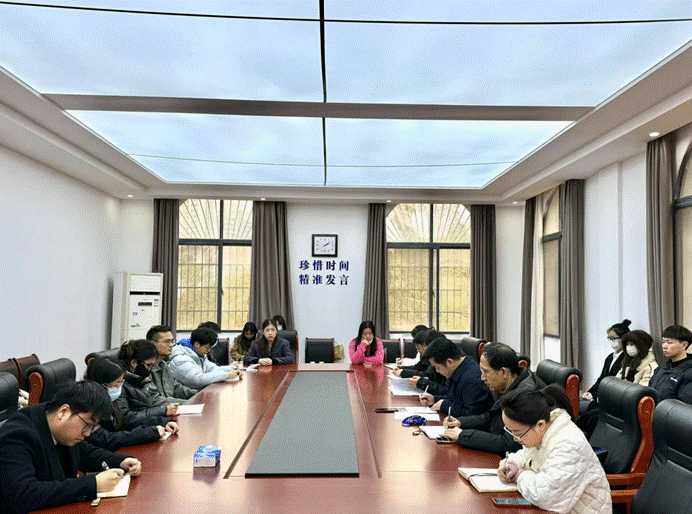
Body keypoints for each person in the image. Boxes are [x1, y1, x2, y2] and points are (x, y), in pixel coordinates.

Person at [0, 380, 142, 514]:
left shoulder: (56, 426)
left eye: (92, 428)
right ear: (63, 412)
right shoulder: (17, 436)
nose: (87, 433)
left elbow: (84, 452)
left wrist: (120, 461)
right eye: (88, 425)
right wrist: (93, 484)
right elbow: (24, 495)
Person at [497, 386, 611, 514]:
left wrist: (519, 476)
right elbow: (527, 454)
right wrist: (513, 463)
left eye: (517, 433)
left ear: (540, 425)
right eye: (510, 431)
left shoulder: (568, 444)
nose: (514, 438)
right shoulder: (542, 430)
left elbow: (546, 496)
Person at [441, 342, 544, 455]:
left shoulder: (525, 396)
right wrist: (461, 422)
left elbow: (509, 443)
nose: (482, 378)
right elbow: (492, 417)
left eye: (485, 372)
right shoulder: (505, 385)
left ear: (504, 372)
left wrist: (462, 435)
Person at [85, 357, 178, 451]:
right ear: (102, 384)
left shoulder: (110, 399)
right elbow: (106, 439)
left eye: (121, 383)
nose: (118, 388)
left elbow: (126, 420)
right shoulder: (88, 406)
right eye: (116, 384)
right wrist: (147, 434)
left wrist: (162, 422)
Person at [418, 338, 492, 417]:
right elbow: (455, 397)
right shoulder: (458, 368)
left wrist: (445, 406)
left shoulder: (472, 379)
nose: (437, 371)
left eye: (437, 367)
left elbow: (473, 414)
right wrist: (434, 399)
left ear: (449, 362)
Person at [116, 339, 179, 429]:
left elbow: (156, 400)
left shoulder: (142, 378)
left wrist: (179, 405)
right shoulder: (118, 383)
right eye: (148, 365)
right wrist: (163, 410)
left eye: (152, 366)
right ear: (133, 363)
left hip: (150, 424)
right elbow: (126, 418)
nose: (150, 369)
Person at [580, 319, 630, 410]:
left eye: (614, 338)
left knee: (575, 408)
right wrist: (589, 392)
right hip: (597, 396)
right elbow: (601, 379)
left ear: (623, 339)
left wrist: (594, 395)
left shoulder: (627, 359)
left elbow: (613, 386)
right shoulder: (610, 357)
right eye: (609, 338)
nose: (611, 341)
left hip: (607, 400)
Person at [170, 327, 241, 389]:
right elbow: (198, 380)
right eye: (207, 348)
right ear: (197, 344)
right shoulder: (181, 358)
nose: (208, 351)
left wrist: (232, 368)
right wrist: (226, 375)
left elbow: (212, 369)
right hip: (186, 396)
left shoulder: (198, 355)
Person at [146, 325, 197, 403]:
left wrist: (199, 394)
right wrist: (189, 403)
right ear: (153, 344)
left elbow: (175, 388)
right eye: (167, 341)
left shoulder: (163, 365)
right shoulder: (146, 368)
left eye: (172, 341)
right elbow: (156, 400)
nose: (171, 345)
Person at [649, 324, 692, 404]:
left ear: (684, 345)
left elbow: (683, 405)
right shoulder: (662, 367)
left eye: (669, 342)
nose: (664, 346)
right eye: (663, 342)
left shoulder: (688, 374)